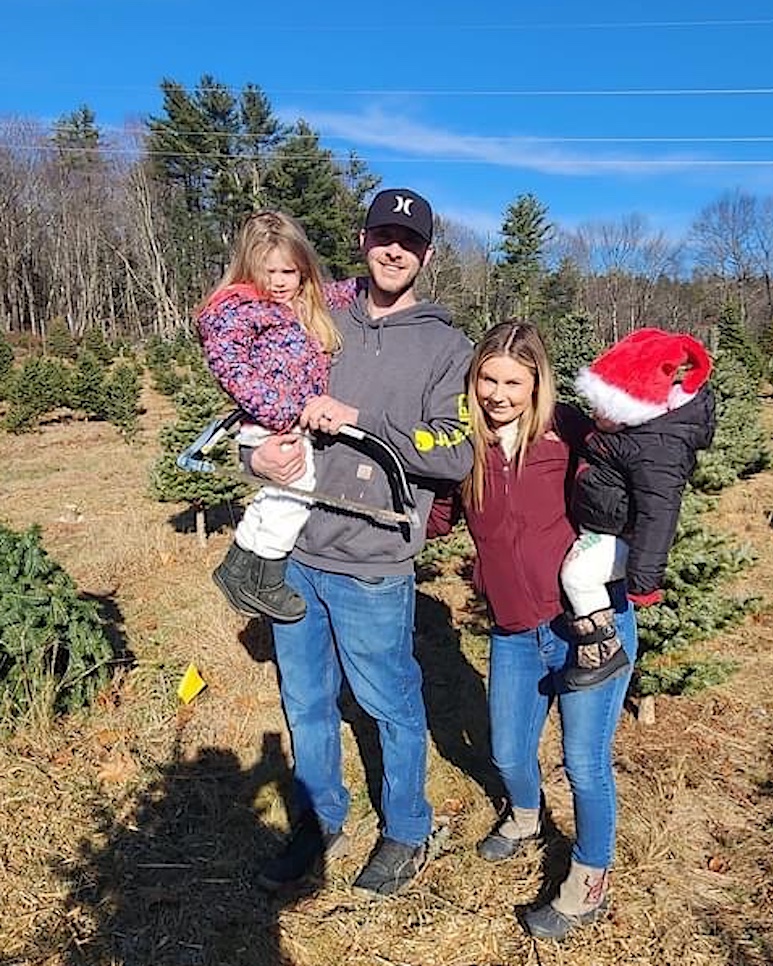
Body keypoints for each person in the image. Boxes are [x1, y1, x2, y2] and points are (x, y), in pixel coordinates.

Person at [248, 188, 474, 897]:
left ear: (427, 254)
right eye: (383, 235)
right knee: (306, 701)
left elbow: (455, 447)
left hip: (374, 560)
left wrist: (363, 420)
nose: (394, 249)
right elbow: (257, 404)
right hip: (297, 551)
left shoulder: (447, 346)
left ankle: (407, 828)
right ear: (364, 239)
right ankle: (321, 819)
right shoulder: (318, 319)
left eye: (408, 240)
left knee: (389, 702)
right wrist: (255, 459)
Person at [427, 321, 637, 940]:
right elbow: (438, 520)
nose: (498, 394)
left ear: (537, 382)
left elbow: (640, 457)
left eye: (513, 382)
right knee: (508, 752)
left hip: (587, 627)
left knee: (584, 764)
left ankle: (588, 879)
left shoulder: (569, 432)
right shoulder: (463, 447)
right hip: (514, 629)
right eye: (487, 379)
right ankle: (524, 818)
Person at [196, 210, 359, 622]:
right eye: (270, 272)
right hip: (269, 421)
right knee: (295, 491)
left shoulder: (304, 300)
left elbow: (338, 292)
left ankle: (235, 569)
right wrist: (282, 411)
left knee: (274, 496)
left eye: (291, 271)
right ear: (251, 268)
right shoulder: (237, 309)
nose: (281, 281)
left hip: (288, 421)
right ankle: (266, 580)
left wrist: (367, 283)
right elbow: (231, 368)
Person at [560, 328, 716, 691]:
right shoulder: (632, 432)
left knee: (577, 576)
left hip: (622, 536)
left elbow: (659, 513)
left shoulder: (656, 449)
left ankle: (602, 650)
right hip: (602, 527)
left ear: (629, 407)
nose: (594, 410)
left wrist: (643, 580)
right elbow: (597, 442)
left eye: (603, 404)